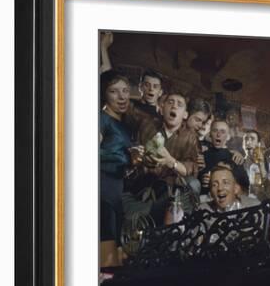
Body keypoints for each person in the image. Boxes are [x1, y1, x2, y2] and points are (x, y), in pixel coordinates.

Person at [125, 90, 200, 225]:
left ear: (185, 115)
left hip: (169, 192)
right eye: (170, 102)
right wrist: (138, 156)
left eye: (179, 105)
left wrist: (171, 161)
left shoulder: (190, 137)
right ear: (162, 108)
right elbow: (134, 151)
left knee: (193, 184)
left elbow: (190, 169)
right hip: (142, 187)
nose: (174, 106)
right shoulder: (147, 124)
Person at [99, 71, 132, 266]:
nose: (122, 97)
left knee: (116, 257)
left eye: (125, 91)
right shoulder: (100, 119)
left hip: (117, 189)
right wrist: (122, 157)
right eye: (114, 91)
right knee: (107, 256)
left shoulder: (124, 124)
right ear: (104, 94)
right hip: (102, 187)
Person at [199, 120, 248, 197]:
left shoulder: (235, 157)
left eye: (223, 131)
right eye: (215, 130)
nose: (218, 134)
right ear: (210, 134)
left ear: (228, 137)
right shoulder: (202, 156)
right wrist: (202, 181)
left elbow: (245, 186)